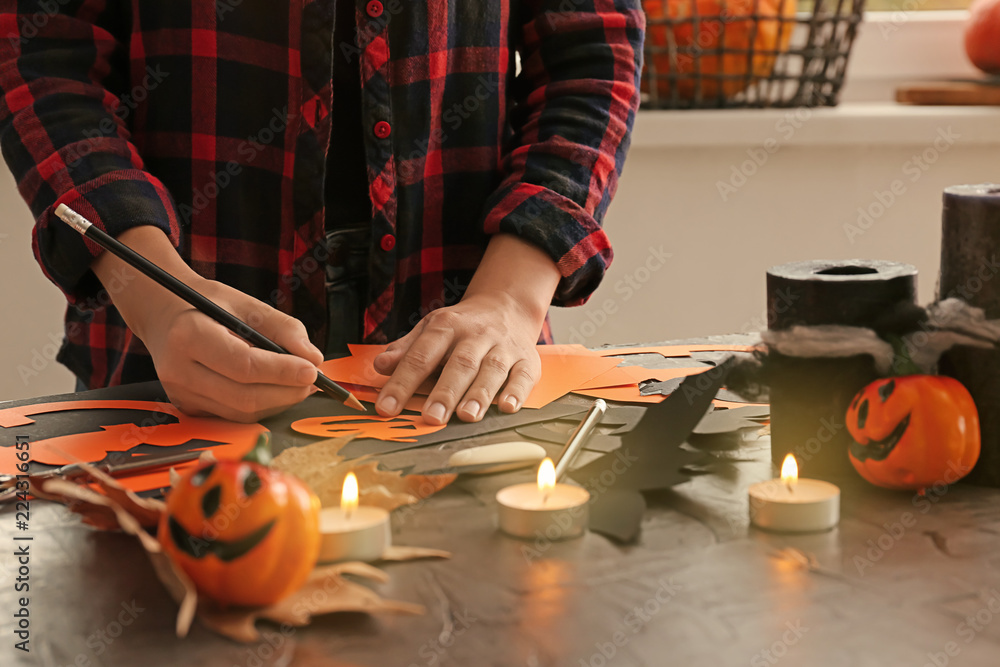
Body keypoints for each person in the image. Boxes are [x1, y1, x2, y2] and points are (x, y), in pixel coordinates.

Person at [0, 0, 644, 424]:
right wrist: (158, 297)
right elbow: (40, 56)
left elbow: (590, 52)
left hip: (467, 356)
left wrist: (510, 298)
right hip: (171, 355)